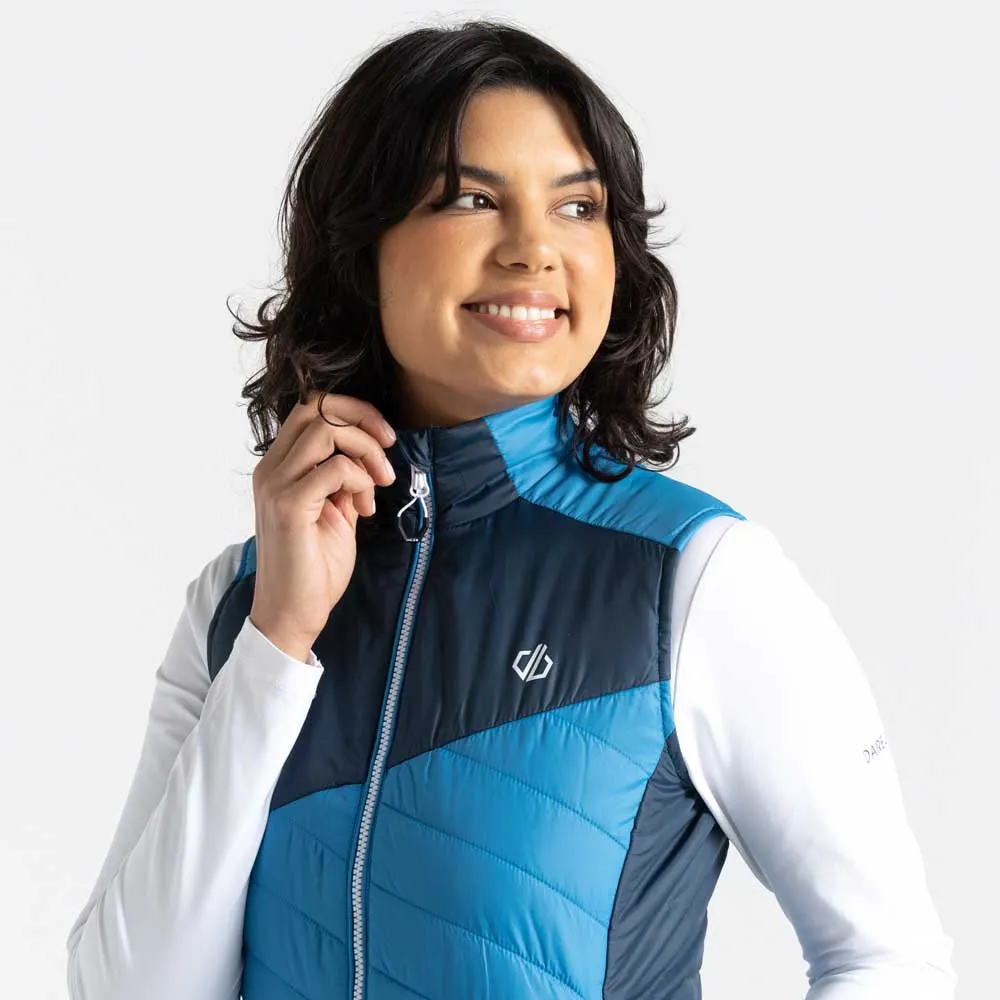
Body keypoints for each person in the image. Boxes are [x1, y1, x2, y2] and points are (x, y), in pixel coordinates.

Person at [65, 19, 957, 1000]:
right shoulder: (239, 603)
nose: (535, 249)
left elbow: (888, 961)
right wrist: (277, 643)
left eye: (578, 207)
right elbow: (129, 990)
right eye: (472, 199)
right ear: (363, 249)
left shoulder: (692, 578)